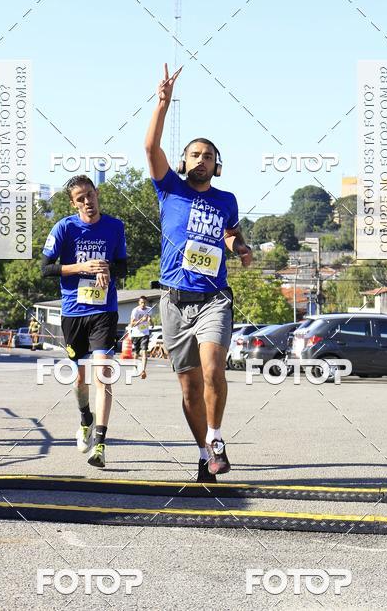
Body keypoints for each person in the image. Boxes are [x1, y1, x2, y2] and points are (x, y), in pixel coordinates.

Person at [145, 65, 252, 483]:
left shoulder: (226, 200)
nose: (202, 160)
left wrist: (239, 248)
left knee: (212, 370)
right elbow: (149, 144)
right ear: (183, 161)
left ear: (216, 165)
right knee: (188, 388)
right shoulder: (169, 187)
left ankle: (217, 436)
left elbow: (229, 233)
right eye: (195, 154)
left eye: (209, 155)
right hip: (172, 300)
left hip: (213, 298)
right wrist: (163, 103)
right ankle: (205, 454)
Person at [41, 175, 127, 469]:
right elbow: (45, 269)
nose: (87, 202)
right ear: (73, 203)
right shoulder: (64, 227)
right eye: (80, 198)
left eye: (90, 195)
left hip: (104, 310)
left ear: (97, 193)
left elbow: (123, 265)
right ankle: (85, 418)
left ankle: (101, 445)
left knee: (103, 372)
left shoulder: (115, 227)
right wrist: (82, 267)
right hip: (73, 313)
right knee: (80, 378)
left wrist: (108, 269)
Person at [127, 296, 153, 379]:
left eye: (144, 302)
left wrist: (150, 321)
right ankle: (135, 368)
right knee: (136, 354)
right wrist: (142, 320)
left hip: (145, 333)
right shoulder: (135, 310)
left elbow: (152, 324)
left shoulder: (149, 309)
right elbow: (132, 324)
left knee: (144, 352)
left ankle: (143, 370)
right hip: (136, 334)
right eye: (141, 302)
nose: (143, 304)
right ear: (139, 303)